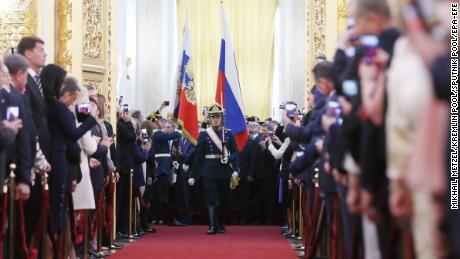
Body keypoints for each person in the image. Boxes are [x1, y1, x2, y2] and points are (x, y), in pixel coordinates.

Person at [188, 104, 240, 235]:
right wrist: (193, 174)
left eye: (217, 117)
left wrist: (230, 159)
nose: (215, 120)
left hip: (224, 171)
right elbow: (199, 156)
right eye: (213, 117)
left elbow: (235, 153)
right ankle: (212, 225)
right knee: (211, 199)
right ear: (209, 119)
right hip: (208, 170)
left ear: (222, 118)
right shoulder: (204, 135)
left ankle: (221, 224)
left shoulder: (228, 134)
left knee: (224, 199)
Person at [151, 120, 184, 226]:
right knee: (161, 194)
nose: (166, 129)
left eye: (169, 127)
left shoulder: (169, 138)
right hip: (160, 169)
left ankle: (161, 217)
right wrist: (179, 132)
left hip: (168, 168)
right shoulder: (157, 134)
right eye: (165, 127)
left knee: (164, 194)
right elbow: (173, 135)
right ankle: (168, 218)